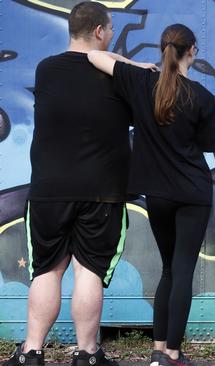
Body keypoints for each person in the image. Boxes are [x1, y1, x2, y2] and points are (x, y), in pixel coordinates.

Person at [3, 3, 134, 366]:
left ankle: (32, 351)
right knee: (88, 270)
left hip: (49, 189)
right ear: (98, 31)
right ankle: (86, 353)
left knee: (47, 270)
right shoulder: (118, 74)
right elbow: (126, 72)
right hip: (101, 191)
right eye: (109, 30)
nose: (111, 36)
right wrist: (126, 64)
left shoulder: (47, 70)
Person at [87, 24, 215, 366]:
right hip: (193, 192)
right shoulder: (202, 97)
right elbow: (206, 145)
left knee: (168, 271)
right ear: (192, 50)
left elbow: (93, 54)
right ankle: (172, 353)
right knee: (183, 270)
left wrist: (134, 64)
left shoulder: (141, 81)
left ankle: (159, 351)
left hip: (158, 195)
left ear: (162, 51)